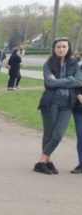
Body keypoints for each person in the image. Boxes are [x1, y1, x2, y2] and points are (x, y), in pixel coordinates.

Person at [36, 38, 82, 175]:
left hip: (67, 103)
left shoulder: (75, 64)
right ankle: (47, 162)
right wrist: (69, 80)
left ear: (68, 48)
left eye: (64, 46)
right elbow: (49, 84)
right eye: (58, 47)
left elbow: (78, 82)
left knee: (58, 135)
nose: (61, 49)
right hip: (51, 101)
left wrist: (58, 81)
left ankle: (40, 162)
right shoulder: (48, 64)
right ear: (54, 49)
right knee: (49, 134)